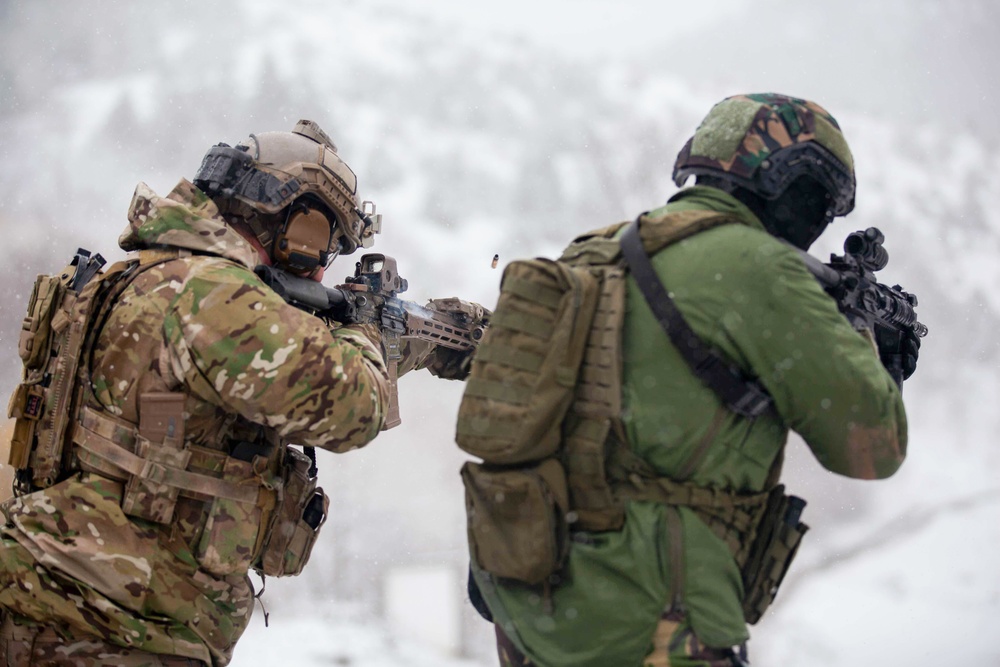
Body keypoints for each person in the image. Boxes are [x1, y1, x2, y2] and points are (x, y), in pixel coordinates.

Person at [462, 94, 918, 666]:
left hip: (534, 610)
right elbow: (874, 450)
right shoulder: (760, 270)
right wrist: (873, 351)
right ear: (791, 188)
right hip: (659, 620)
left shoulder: (595, 249)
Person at [0, 119, 477, 666]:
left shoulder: (156, 274)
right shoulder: (212, 296)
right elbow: (351, 406)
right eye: (328, 244)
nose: (325, 267)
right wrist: (368, 328)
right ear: (298, 224)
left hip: (72, 610)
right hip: (110, 630)